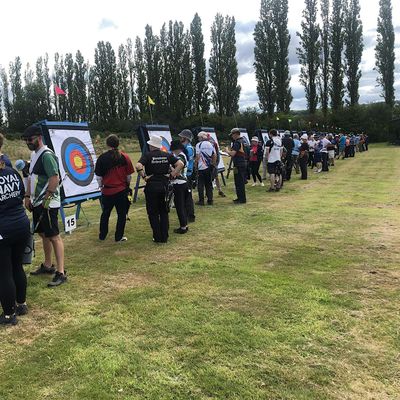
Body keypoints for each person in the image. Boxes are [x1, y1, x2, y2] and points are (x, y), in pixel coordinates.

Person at [22, 125, 66, 287]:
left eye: (30, 139)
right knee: (43, 233)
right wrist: (27, 196)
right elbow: (31, 177)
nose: (28, 142)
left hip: (48, 203)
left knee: (54, 236)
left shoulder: (47, 155)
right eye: (26, 140)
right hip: (37, 202)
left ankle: (61, 272)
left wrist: (47, 198)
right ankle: (48, 265)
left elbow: (55, 178)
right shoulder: (34, 155)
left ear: (39, 138)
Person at [0, 147, 30, 325]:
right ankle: (21, 304)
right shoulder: (12, 172)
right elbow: (20, 194)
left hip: (4, 229)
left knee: (4, 272)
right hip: (21, 224)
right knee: (17, 265)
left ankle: (9, 314)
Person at [136, 136, 183, 243]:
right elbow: (180, 164)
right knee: (164, 212)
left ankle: (157, 237)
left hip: (151, 186)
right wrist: (172, 175)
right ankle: (165, 236)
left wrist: (144, 177)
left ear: (152, 145)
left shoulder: (147, 155)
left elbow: (138, 165)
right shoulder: (167, 155)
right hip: (164, 186)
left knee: (153, 213)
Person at [95, 134, 135, 242]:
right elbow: (128, 176)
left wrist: (101, 187)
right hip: (121, 191)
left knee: (105, 213)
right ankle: (119, 237)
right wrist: (126, 185)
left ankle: (102, 235)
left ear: (107, 144)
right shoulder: (125, 157)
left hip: (107, 191)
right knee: (122, 214)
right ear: (118, 144)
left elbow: (98, 177)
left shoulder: (102, 158)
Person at [170, 140, 189, 234]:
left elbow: (177, 171)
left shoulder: (180, 157)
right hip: (184, 183)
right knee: (183, 206)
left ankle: (183, 227)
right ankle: (185, 225)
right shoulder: (183, 155)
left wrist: (170, 168)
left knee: (179, 206)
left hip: (179, 183)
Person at [225, 128, 248, 204]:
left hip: (238, 164)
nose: (231, 136)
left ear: (235, 134)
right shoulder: (243, 141)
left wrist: (227, 151)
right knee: (239, 181)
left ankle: (241, 199)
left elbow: (233, 153)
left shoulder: (237, 142)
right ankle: (240, 198)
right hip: (241, 163)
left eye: (232, 135)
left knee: (239, 182)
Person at [178, 129, 195, 222]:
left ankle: (190, 215)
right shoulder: (188, 147)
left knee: (187, 196)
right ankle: (188, 214)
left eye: (181, 137)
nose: (180, 138)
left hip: (187, 174)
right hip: (187, 173)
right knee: (186, 195)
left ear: (185, 138)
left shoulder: (188, 148)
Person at [195, 131, 216, 206]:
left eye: (198, 137)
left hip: (201, 167)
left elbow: (197, 157)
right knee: (209, 184)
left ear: (201, 137)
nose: (198, 139)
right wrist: (213, 164)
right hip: (209, 166)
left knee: (200, 184)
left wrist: (196, 166)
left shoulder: (198, 144)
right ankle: (210, 200)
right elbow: (214, 155)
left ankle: (201, 201)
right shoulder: (210, 144)